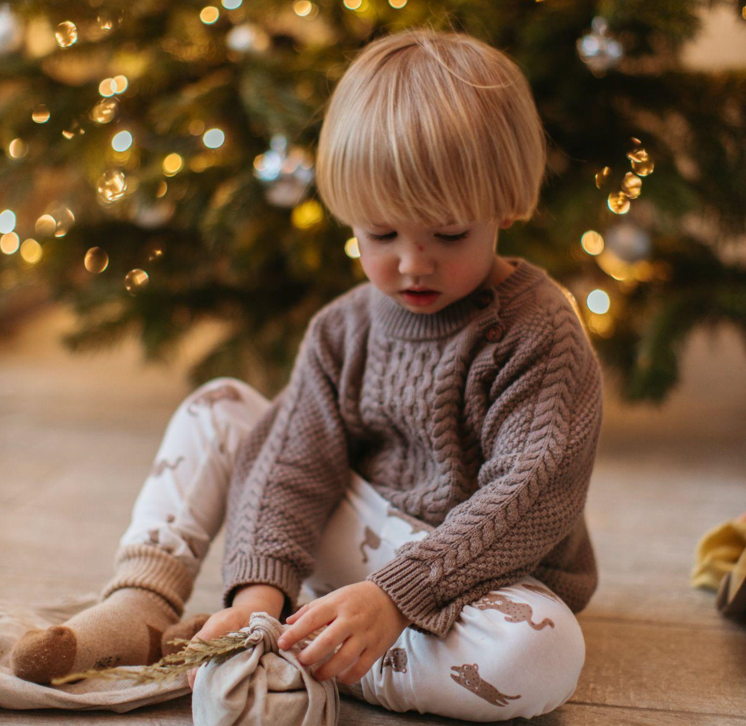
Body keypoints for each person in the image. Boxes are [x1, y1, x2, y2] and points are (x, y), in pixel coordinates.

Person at [10, 26, 604, 721]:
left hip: (473, 574)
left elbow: (532, 496)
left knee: (543, 654)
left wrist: (394, 596)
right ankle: (145, 609)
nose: (414, 263)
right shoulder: (342, 327)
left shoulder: (540, 332)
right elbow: (293, 462)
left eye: (448, 234)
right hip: (343, 546)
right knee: (220, 406)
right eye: (381, 234)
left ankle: (310, 655)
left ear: (504, 205)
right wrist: (256, 595)